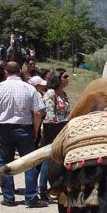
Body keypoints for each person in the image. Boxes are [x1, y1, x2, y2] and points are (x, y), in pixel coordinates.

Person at [0, 61, 46, 207]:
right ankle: (31, 197)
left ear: (5, 71)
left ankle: (8, 197)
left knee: (4, 162)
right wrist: (35, 130)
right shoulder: (29, 88)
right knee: (29, 163)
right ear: (19, 71)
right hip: (24, 128)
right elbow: (38, 112)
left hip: (4, 129)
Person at [38, 68, 71, 202]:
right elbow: (49, 116)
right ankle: (42, 189)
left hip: (62, 129)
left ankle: (58, 187)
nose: (68, 79)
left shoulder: (63, 93)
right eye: (65, 77)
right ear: (57, 78)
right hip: (51, 130)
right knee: (48, 159)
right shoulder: (51, 94)